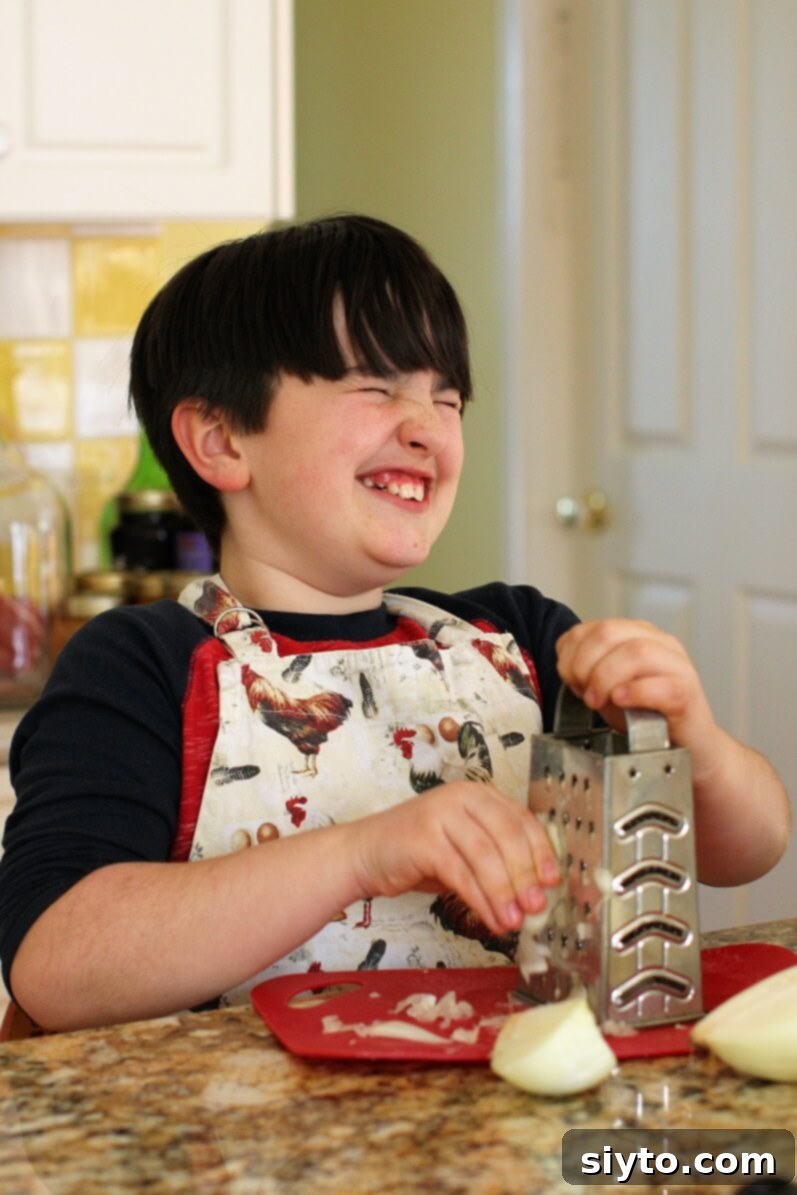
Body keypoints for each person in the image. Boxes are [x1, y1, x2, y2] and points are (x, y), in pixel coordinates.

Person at [0, 215, 789, 1032]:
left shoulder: (519, 639)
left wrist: (689, 735)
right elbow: (56, 965)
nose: (426, 425)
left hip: (503, 1133)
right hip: (242, 1148)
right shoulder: (144, 665)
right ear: (221, 438)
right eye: (375, 386)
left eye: (446, 396)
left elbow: (749, 847)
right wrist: (364, 852)